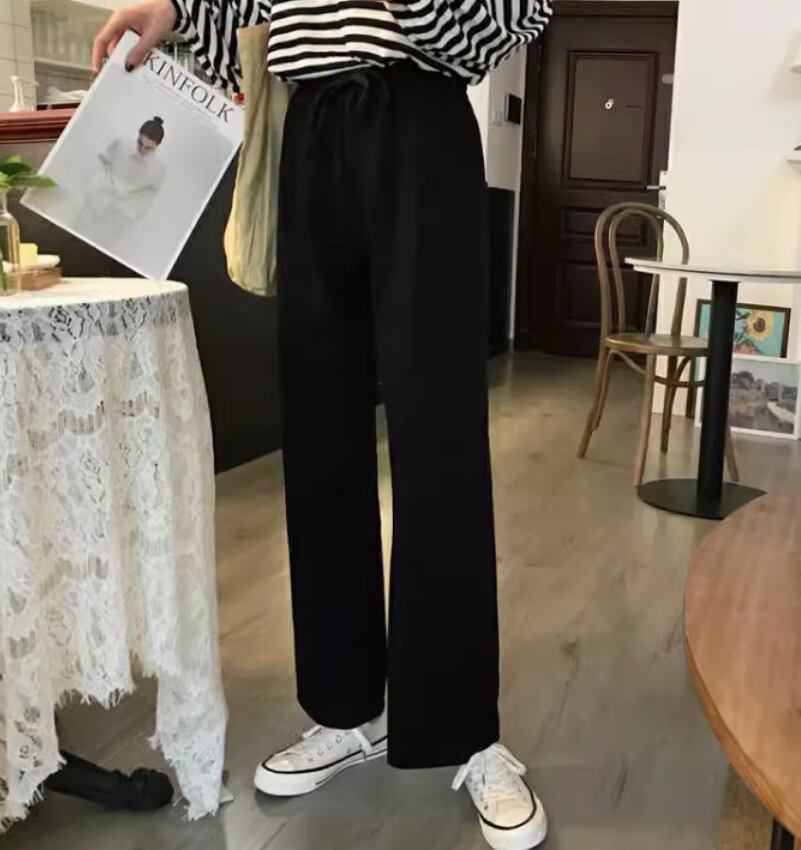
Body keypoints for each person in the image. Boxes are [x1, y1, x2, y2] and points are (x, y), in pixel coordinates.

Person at [94, 2, 552, 848]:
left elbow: (506, 21)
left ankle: (465, 729)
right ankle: (345, 710)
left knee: (440, 436)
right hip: (306, 126)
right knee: (319, 433)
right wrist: (176, 9)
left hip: (421, 119)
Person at [78, 117, 167, 237]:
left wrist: (128, 212)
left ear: (157, 146)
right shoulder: (123, 141)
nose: (142, 150)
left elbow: (150, 194)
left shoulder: (161, 164)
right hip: (104, 188)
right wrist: (95, 186)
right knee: (81, 222)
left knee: (104, 236)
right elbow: (103, 159)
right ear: (138, 135)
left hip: (127, 206)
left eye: (148, 148)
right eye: (140, 143)